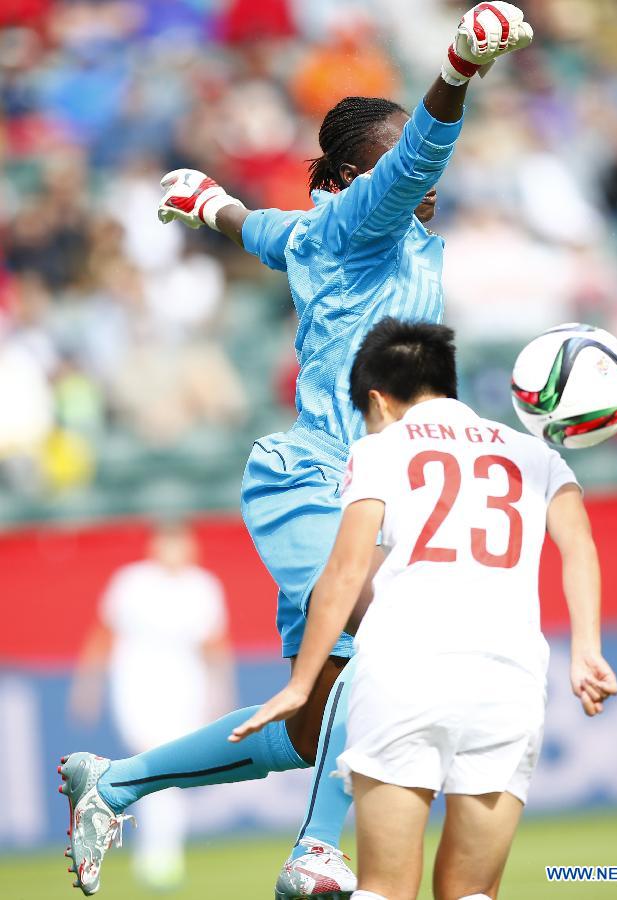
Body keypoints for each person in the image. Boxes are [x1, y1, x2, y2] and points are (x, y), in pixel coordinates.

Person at [58, 5, 535, 896]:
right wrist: (461, 66)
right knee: (389, 634)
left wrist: (208, 205)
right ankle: (316, 851)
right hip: (316, 479)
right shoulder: (363, 223)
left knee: (317, 731)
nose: (421, 179)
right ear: (359, 174)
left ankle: (111, 784)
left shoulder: (324, 230)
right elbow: (421, 154)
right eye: (390, 165)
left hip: (362, 490)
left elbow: (257, 229)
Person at [232, 318, 617, 900]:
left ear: (377, 400)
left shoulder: (380, 448)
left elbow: (343, 573)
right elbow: (579, 547)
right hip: (508, 681)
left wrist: (302, 682)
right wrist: (587, 648)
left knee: (385, 887)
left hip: (405, 671)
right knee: (471, 892)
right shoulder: (534, 454)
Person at [68, 520, 232, 891]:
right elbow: (103, 634)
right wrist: (87, 685)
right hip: (136, 686)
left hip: (185, 688)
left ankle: (161, 855)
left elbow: (215, 646)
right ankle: (157, 856)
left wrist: (220, 693)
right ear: (155, 545)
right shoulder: (132, 583)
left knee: (171, 771)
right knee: (151, 761)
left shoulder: (203, 587)